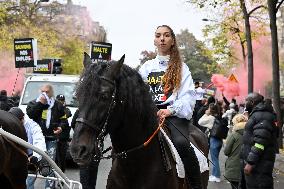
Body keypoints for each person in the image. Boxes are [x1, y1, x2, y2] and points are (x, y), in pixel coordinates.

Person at [139, 25, 202, 189]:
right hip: (150, 116)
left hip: (173, 116)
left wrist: (170, 110)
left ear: (172, 41)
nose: (162, 38)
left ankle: (196, 185)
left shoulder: (182, 67)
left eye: (166, 35)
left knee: (181, 142)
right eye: (158, 35)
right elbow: (137, 93)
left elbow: (189, 96)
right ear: (154, 40)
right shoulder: (146, 67)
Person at [26, 84, 65, 189]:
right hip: (36, 140)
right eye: (42, 91)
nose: (44, 94)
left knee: (49, 163)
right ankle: (29, 187)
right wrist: (40, 104)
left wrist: (61, 127)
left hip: (51, 139)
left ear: (51, 92)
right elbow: (30, 115)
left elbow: (64, 120)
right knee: (33, 163)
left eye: (47, 92)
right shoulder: (34, 103)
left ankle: (49, 187)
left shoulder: (58, 105)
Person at [239, 92, 278, 189]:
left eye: (246, 101)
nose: (245, 103)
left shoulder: (262, 116)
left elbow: (260, 143)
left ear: (252, 102)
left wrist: (250, 163)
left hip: (259, 166)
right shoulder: (258, 114)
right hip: (256, 165)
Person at [8, 107, 46, 189]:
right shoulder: (8, 125)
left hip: (29, 158)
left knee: (28, 183)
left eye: (17, 122)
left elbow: (39, 141)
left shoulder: (33, 126)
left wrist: (35, 157)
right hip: (13, 157)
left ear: (22, 118)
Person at [71, 108, 99, 189]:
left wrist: (81, 134)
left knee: (86, 174)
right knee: (91, 177)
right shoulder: (97, 110)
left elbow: (73, 124)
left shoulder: (81, 110)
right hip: (93, 145)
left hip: (87, 145)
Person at [198, 103, 223, 182]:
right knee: (215, 158)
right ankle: (214, 174)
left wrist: (206, 114)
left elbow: (200, 122)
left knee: (214, 159)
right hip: (219, 140)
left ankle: (217, 176)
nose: (207, 110)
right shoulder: (218, 117)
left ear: (211, 110)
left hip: (214, 140)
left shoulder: (210, 118)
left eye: (208, 108)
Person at [224, 114, 247, 189]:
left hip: (234, 167)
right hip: (247, 166)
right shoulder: (251, 134)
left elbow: (226, 152)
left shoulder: (234, 135)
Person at [55, 94, 72, 173]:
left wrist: (62, 108)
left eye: (62, 101)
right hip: (54, 138)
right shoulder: (53, 110)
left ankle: (62, 178)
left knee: (62, 160)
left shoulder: (66, 110)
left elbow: (68, 114)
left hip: (63, 139)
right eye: (59, 101)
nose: (60, 102)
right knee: (54, 159)